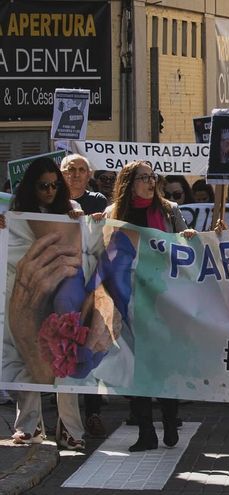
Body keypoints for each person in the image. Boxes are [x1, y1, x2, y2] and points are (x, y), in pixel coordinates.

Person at [105, 161, 197, 452]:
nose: (149, 181)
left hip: (163, 298)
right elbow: (105, 251)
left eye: (152, 177)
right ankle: (146, 431)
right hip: (129, 298)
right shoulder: (114, 214)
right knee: (138, 367)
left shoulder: (169, 210)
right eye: (143, 177)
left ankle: (170, 421)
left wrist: (188, 237)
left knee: (163, 364)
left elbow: (183, 243)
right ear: (129, 183)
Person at [5, 157, 87, 450]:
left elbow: (81, 247)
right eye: (44, 186)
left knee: (64, 364)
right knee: (26, 359)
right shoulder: (13, 213)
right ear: (31, 187)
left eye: (55, 185)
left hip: (61, 296)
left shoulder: (72, 210)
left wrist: (84, 223)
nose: (50, 191)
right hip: (23, 290)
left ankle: (71, 430)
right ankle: (28, 426)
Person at [60, 154, 109, 439]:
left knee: (88, 349)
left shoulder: (98, 201)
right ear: (61, 173)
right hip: (63, 284)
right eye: (71, 170)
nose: (76, 175)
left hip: (91, 283)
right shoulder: (52, 199)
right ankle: (63, 419)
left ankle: (92, 413)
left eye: (81, 170)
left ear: (88, 174)